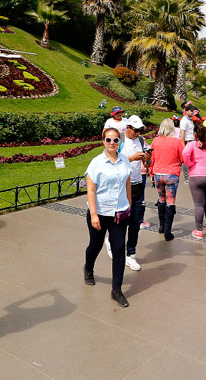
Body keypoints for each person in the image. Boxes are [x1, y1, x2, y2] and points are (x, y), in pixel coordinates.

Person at [83, 127, 132, 308]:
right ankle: (88, 267)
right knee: (95, 245)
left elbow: (127, 182)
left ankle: (116, 290)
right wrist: (94, 214)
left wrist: (129, 204)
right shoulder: (97, 163)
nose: (112, 143)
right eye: (108, 140)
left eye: (115, 140)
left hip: (119, 212)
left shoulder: (124, 160)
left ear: (120, 142)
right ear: (103, 141)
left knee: (119, 248)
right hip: (100, 212)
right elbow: (91, 190)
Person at [115, 116, 148, 271]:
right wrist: (132, 158)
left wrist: (147, 159)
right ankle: (117, 247)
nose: (137, 133)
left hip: (138, 183)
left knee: (136, 221)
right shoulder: (119, 140)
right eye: (135, 130)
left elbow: (145, 163)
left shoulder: (141, 140)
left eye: (140, 130)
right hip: (122, 185)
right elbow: (113, 160)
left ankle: (131, 253)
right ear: (128, 128)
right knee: (122, 220)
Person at [149, 118, 183, 240]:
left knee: (161, 200)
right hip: (172, 174)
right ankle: (167, 232)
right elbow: (182, 158)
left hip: (158, 173)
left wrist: (151, 171)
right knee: (171, 201)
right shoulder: (177, 141)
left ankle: (161, 226)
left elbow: (151, 157)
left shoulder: (156, 140)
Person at [177, 105, 195, 184]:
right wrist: (183, 145)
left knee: (191, 159)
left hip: (191, 141)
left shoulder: (190, 120)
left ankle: (191, 175)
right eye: (191, 111)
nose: (192, 112)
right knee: (185, 161)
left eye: (193, 111)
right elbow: (182, 134)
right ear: (186, 111)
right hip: (187, 142)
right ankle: (186, 178)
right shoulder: (184, 120)